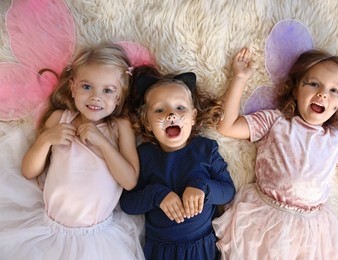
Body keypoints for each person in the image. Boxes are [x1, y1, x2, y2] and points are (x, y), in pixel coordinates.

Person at [212, 48, 338, 259]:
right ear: (296, 89)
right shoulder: (275, 122)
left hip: (309, 231)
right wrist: (239, 78)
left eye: (335, 91)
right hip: (263, 218)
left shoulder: (336, 143)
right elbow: (228, 126)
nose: (323, 93)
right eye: (314, 84)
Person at [0, 42, 145, 260]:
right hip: (48, 231)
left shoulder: (119, 127)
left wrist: (103, 143)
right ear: (73, 87)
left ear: (118, 97)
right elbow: (29, 171)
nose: (96, 97)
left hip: (98, 239)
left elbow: (129, 181)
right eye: (87, 87)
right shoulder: (60, 119)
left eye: (107, 90)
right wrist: (46, 140)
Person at [120, 66, 236, 260]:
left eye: (180, 108)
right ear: (147, 122)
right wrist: (157, 194)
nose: (170, 115)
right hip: (160, 251)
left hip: (201, 248)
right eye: (159, 109)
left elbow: (228, 192)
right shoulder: (144, 155)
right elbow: (128, 203)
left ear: (193, 117)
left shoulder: (205, 150)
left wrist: (203, 187)